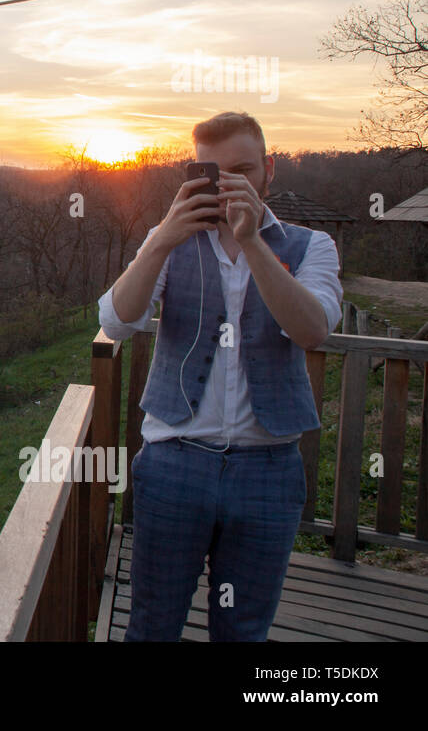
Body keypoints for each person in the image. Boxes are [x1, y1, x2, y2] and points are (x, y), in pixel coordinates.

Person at [97, 111, 342, 641]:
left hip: (268, 471)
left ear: (269, 171)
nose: (229, 184)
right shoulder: (170, 239)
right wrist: (162, 238)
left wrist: (252, 242)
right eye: (213, 173)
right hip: (173, 463)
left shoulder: (310, 245)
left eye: (243, 170)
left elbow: (312, 330)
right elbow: (116, 322)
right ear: (192, 175)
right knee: (152, 626)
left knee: (243, 632)